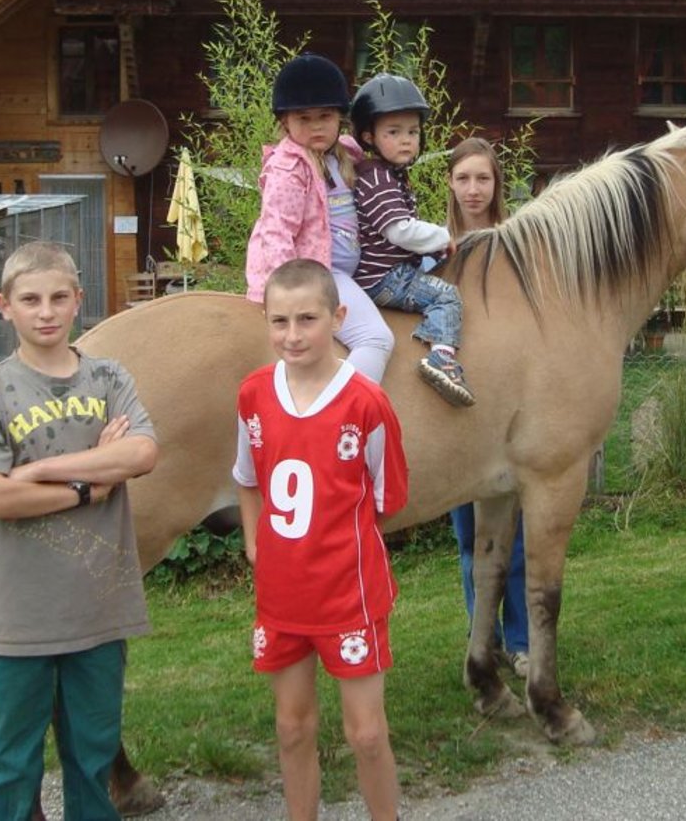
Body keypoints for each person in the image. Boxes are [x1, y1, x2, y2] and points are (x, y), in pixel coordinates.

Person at [0, 241, 159, 819]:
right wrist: (90, 483)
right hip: (17, 618)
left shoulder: (107, 377)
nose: (45, 311)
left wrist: (40, 471)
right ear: (5, 306)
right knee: (10, 763)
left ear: (78, 301)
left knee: (92, 761)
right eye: (30, 300)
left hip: (99, 611)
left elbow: (141, 453)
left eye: (57, 298)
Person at [233, 258, 408, 821]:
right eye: (279, 321)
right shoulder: (254, 396)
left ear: (338, 317)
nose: (292, 335)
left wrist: (341, 547)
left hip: (348, 593)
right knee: (291, 727)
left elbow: (387, 498)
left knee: (367, 735)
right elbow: (246, 479)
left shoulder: (367, 403)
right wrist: (254, 544)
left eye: (306, 319)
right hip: (282, 596)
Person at [245, 52, 395, 382]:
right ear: (285, 123)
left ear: (339, 118)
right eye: (303, 118)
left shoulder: (339, 155)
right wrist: (290, 290)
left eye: (324, 116)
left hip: (340, 271)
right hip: (317, 274)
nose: (315, 126)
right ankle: (340, 412)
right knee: (376, 338)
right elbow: (276, 231)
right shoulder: (289, 169)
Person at [443, 137, 529, 675]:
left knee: (514, 539)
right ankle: (485, 640)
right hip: (453, 405)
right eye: (464, 179)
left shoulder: (515, 246)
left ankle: (521, 642)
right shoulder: (436, 247)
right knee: (467, 536)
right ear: (450, 185)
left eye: (483, 179)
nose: (474, 189)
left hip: (509, 407)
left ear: (496, 185)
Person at [351, 72, 474, 406]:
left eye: (413, 131)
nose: (406, 140)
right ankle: (442, 357)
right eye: (394, 132)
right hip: (383, 277)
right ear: (368, 135)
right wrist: (442, 235)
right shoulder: (377, 178)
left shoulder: (387, 174)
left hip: (393, 268)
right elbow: (400, 231)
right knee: (446, 296)